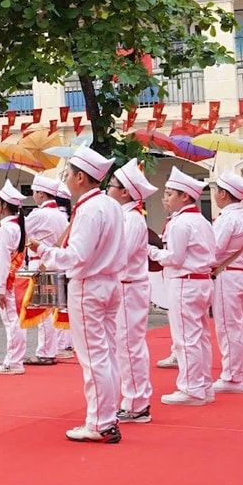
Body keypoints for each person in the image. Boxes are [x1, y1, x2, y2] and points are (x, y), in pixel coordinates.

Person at [36, 147, 125, 443]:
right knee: (107, 352)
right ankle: (107, 416)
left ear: (81, 177)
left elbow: (78, 257)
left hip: (89, 284)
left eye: (68, 174)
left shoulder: (89, 209)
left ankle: (99, 422)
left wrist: (45, 251)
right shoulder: (110, 205)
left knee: (93, 356)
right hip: (109, 281)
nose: (66, 180)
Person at [151, 168, 216, 406]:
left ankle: (191, 388)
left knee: (185, 338)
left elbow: (175, 258)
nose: (165, 198)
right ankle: (203, 385)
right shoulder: (201, 220)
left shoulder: (181, 223)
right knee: (199, 337)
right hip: (200, 281)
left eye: (169, 194)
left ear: (185, 196)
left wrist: (151, 251)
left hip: (185, 282)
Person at [109, 161, 156, 423]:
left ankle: (137, 402)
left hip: (129, 288)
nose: (108, 189)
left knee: (129, 346)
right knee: (125, 346)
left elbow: (119, 255)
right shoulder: (127, 217)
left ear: (125, 192)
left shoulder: (132, 219)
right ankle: (134, 399)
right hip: (126, 288)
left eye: (112, 186)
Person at [207, 171, 243, 394]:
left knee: (228, 328)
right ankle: (238, 373)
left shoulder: (227, 219)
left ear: (224, 194)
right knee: (236, 327)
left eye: (217, 191)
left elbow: (214, 251)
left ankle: (233, 376)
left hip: (227, 275)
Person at [24, 176, 70, 363]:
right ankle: (53, 348)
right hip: (58, 263)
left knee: (43, 311)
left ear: (41, 194)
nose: (33, 196)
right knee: (54, 309)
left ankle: (45, 352)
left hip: (41, 263)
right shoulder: (61, 215)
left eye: (34, 193)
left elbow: (21, 232)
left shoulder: (39, 214)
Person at [0, 182, 27, 375]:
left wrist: (1, 289)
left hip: (8, 281)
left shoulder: (6, 230)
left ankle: (13, 362)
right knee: (15, 319)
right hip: (15, 279)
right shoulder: (16, 227)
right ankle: (14, 359)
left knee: (11, 320)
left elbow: (3, 261)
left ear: (4, 206)